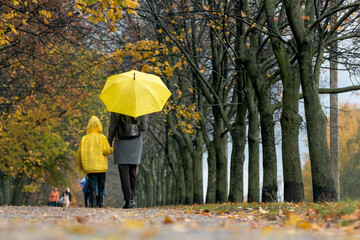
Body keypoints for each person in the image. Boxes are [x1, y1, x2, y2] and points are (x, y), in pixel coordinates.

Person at [108, 113, 147, 209]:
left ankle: (127, 200)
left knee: (124, 173)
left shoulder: (116, 109)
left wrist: (109, 141)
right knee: (133, 171)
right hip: (135, 143)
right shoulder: (139, 108)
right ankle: (132, 198)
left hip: (121, 143)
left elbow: (112, 128)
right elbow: (144, 128)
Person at [78, 115, 112, 208]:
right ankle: (100, 203)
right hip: (101, 166)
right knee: (101, 184)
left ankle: (93, 203)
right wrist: (111, 148)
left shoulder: (84, 139)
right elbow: (106, 151)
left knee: (92, 185)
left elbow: (80, 153)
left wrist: (81, 166)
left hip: (89, 167)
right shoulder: (102, 137)